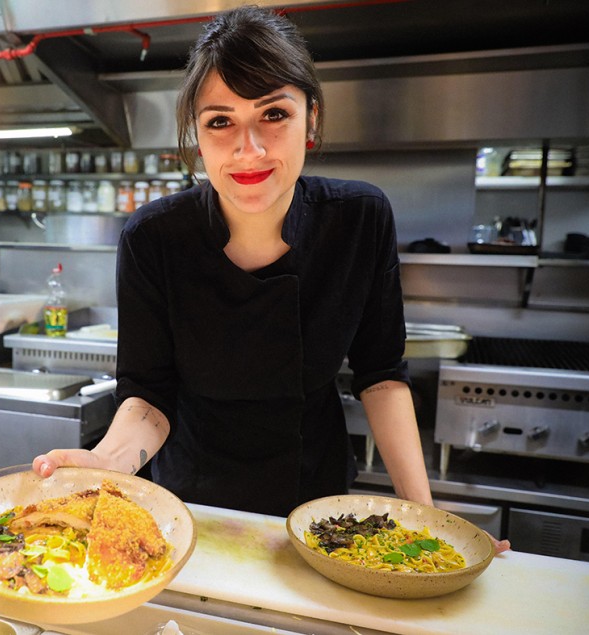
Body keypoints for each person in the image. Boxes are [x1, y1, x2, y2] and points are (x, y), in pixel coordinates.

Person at [32, 6, 507, 550]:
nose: (248, 148)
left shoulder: (359, 218)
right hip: (190, 509)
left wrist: (428, 523)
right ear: (198, 135)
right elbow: (149, 395)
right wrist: (105, 463)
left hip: (319, 510)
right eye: (220, 121)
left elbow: (381, 376)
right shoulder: (153, 237)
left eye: (273, 114)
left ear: (313, 120)